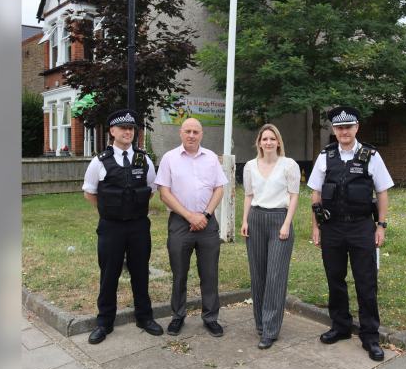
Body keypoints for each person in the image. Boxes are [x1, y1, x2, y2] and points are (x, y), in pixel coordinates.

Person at [308, 106, 394, 361]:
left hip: (361, 227)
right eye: (339, 128)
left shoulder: (371, 155)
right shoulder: (326, 155)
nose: (344, 131)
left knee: (366, 282)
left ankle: (370, 335)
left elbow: (382, 192)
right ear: (334, 130)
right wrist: (315, 226)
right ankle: (341, 326)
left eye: (349, 127)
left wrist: (381, 225)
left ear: (356, 128)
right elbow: (315, 192)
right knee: (335, 279)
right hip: (332, 227)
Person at [82, 109, 164, 344]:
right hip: (111, 227)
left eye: (131, 128)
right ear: (112, 131)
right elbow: (90, 192)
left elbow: (150, 191)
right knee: (109, 275)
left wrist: (132, 211)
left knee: (140, 272)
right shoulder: (99, 161)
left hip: (138, 226)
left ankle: (144, 317)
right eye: (123, 128)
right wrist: (110, 211)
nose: (128, 132)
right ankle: (104, 322)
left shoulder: (143, 158)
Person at [155, 118, 227, 337]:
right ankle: (178, 316)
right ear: (180, 133)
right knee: (179, 273)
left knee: (209, 273)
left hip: (207, 223)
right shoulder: (169, 158)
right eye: (188, 131)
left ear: (202, 135)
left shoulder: (211, 158)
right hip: (180, 223)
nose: (192, 135)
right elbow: (164, 193)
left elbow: (219, 189)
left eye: (196, 132)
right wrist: (189, 216)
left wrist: (204, 215)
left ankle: (211, 317)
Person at [241, 124, 301, 349]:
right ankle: (261, 322)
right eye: (264, 139)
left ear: (278, 142)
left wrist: (287, 224)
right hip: (256, 219)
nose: (268, 142)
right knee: (258, 274)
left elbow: (294, 197)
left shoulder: (289, 165)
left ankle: (271, 330)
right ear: (259, 142)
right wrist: (245, 220)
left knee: (275, 276)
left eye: (272, 139)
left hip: (279, 221)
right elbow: (249, 196)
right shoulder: (249, 166)